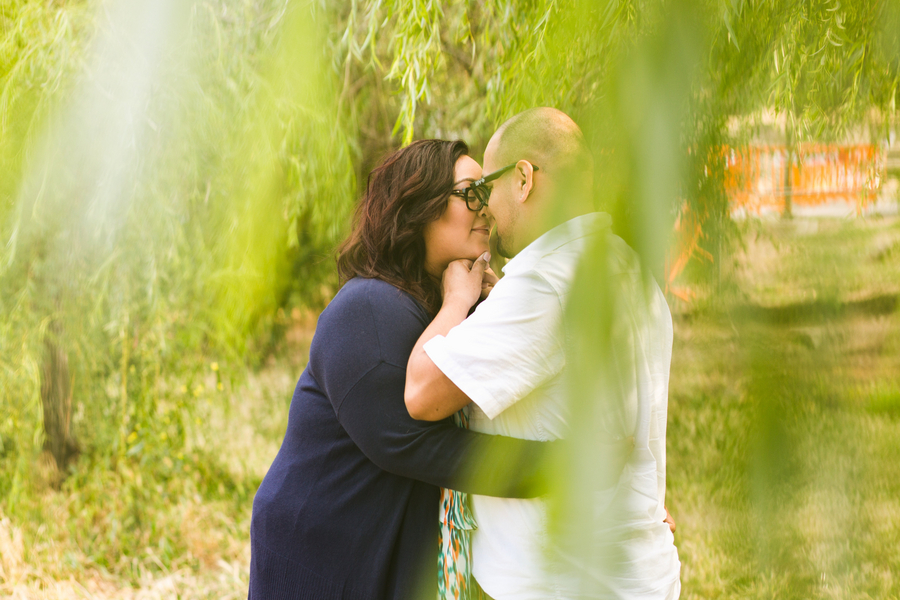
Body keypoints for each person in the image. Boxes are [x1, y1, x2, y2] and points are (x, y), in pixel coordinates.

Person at [249, 139, 549, 600]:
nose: (485, 208)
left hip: (380, 542)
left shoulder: (445, 310)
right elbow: (417, 447)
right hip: (320, 553)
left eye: (486, 194)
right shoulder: (365, 308)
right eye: (471, 193)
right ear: (418, 207)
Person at [405, 108, 682, 598]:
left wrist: (457, 302)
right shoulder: (630, 271)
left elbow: (422, 392)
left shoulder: (546, 285)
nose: (483, 207)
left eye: (487, 187)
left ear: (525, 178)